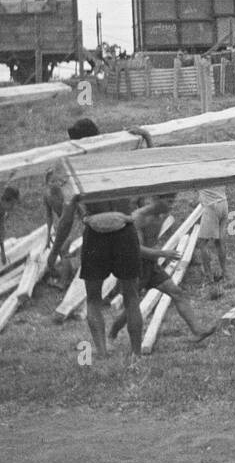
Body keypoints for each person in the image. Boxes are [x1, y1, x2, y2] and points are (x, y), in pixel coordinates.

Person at [44, 118, 155, 357]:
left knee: (93, 299)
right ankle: (135, 354)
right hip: (124, 229)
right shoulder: (117, 158)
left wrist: (53, 252)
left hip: (96, 232)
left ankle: (102, 352)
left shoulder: (73, 169)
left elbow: (66, 218)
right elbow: (151, 168)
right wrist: (146, 138)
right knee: (131, 297)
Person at [106, 196, 218, 343]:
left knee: (177, 293)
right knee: (132, 306)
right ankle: (113, 332)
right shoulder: (138, 219)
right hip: (134, 267)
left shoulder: (160, 216)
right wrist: (162, 254)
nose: (170, 205)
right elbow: (136, 249)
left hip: (150, 266)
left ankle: (197, 331)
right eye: (168, 201)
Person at [195, 187, 229, 287]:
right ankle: (225, 273)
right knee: (219, 241)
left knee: (202, 243)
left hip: (212, 206)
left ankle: (208, 276)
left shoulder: (201, 172)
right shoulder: (219, 171)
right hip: (223, 203)